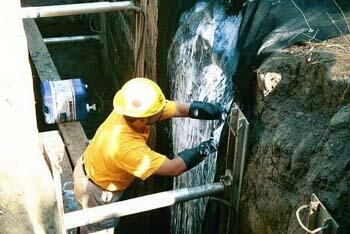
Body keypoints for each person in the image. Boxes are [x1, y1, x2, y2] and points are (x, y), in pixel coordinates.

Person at [73, 77, 225, 233]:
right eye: (157, 111)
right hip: (96, 193)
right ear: (141, 120)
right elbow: (174, 168)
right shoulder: (126, 147)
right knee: (97, 229)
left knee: (85, 225)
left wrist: (218, 111)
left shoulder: (129, 109)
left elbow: (179, 109)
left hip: (89, 169)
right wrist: (210, 145)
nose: (162, 110)